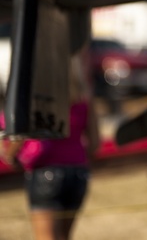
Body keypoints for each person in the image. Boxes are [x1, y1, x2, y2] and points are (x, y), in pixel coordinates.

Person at [1, 55, 100, 240]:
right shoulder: (83, 98)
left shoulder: (36, 100)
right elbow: (94, 144)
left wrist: (10, 155)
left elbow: (18, 138)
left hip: (45, 173)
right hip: (78, 173)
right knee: (64, 236)